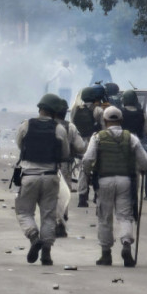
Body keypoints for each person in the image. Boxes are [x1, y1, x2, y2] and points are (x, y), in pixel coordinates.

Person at [83, 106, 147, 267]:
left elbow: (87, 159)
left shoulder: (97, 137)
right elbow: (145, 161)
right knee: (125, 216)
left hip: (104, 181)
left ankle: (106, 254)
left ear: (105, 121)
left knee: (105, 217)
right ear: (121, 120)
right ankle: (126, 243)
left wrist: (89, 173)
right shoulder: (131, 137)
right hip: (126, 181)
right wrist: (141, 169)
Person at [14, 93, 70, 266]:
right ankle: (46, 252)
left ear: (40, 108)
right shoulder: (59, 129)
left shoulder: (26, 125)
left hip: (29, 175)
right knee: (48, 215)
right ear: (54, 112)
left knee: (24, 212)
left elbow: (19, 144)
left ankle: (33, 236)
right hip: (51, 176)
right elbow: (65, 153)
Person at [54, 98, 84, 237]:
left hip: (43, 166)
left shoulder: (39, 125)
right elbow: (80, 146)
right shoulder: (69, 127)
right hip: (64, 165)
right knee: (63, 193)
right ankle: (61, 221)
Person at [71, 85, 105, 207]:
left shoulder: (75, 109)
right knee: (97, 170)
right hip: (95, 142)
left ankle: (82, 197)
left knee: (83, 170)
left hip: (81, 142)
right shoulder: (98, 110)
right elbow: (104, 128)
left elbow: (73, 125)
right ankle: (97, 195)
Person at [120, 90, 147, 200]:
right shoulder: (141, 114)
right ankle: (134, 196)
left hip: (122, 146)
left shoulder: (120, 113)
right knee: (138, 171)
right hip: (137, 146)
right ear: (135, 100)